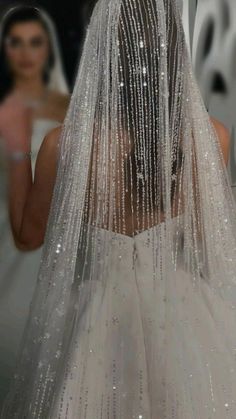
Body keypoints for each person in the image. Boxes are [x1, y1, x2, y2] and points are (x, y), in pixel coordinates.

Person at [2, 0, 236, 417]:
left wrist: (17, 150)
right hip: (185, 321)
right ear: (172, 52)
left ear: (102, 50)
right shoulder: (211, 137)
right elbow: (207, 245)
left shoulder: (66, 143)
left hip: (95, 322)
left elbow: (27, 235)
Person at [0, 5, 69, 407]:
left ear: (48, 47)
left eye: (35, 42)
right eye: (16, 42)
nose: (26, 53)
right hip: (9, 235)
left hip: (58, 241)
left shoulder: (70, 106)